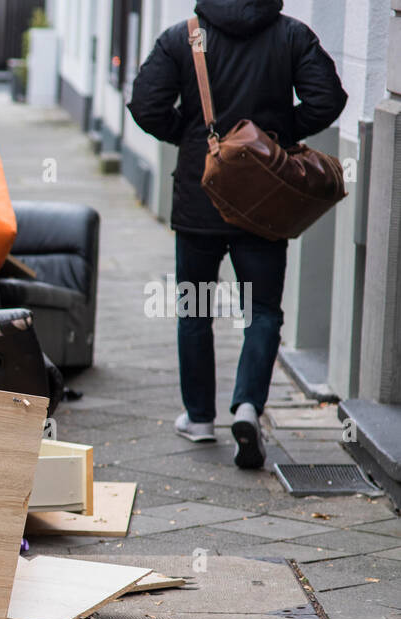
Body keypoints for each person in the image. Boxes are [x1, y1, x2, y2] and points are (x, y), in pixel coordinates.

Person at [128, 0, 346, 468]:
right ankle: (248, 405)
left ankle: (200, 419)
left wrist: (191, 135)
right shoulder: (291, 35)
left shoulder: (183, 37)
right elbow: (328, 99)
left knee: (196, 308)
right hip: (266, 198)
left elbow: (144, 105)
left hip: (200, 193)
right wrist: (275, 138)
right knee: (263, 309)